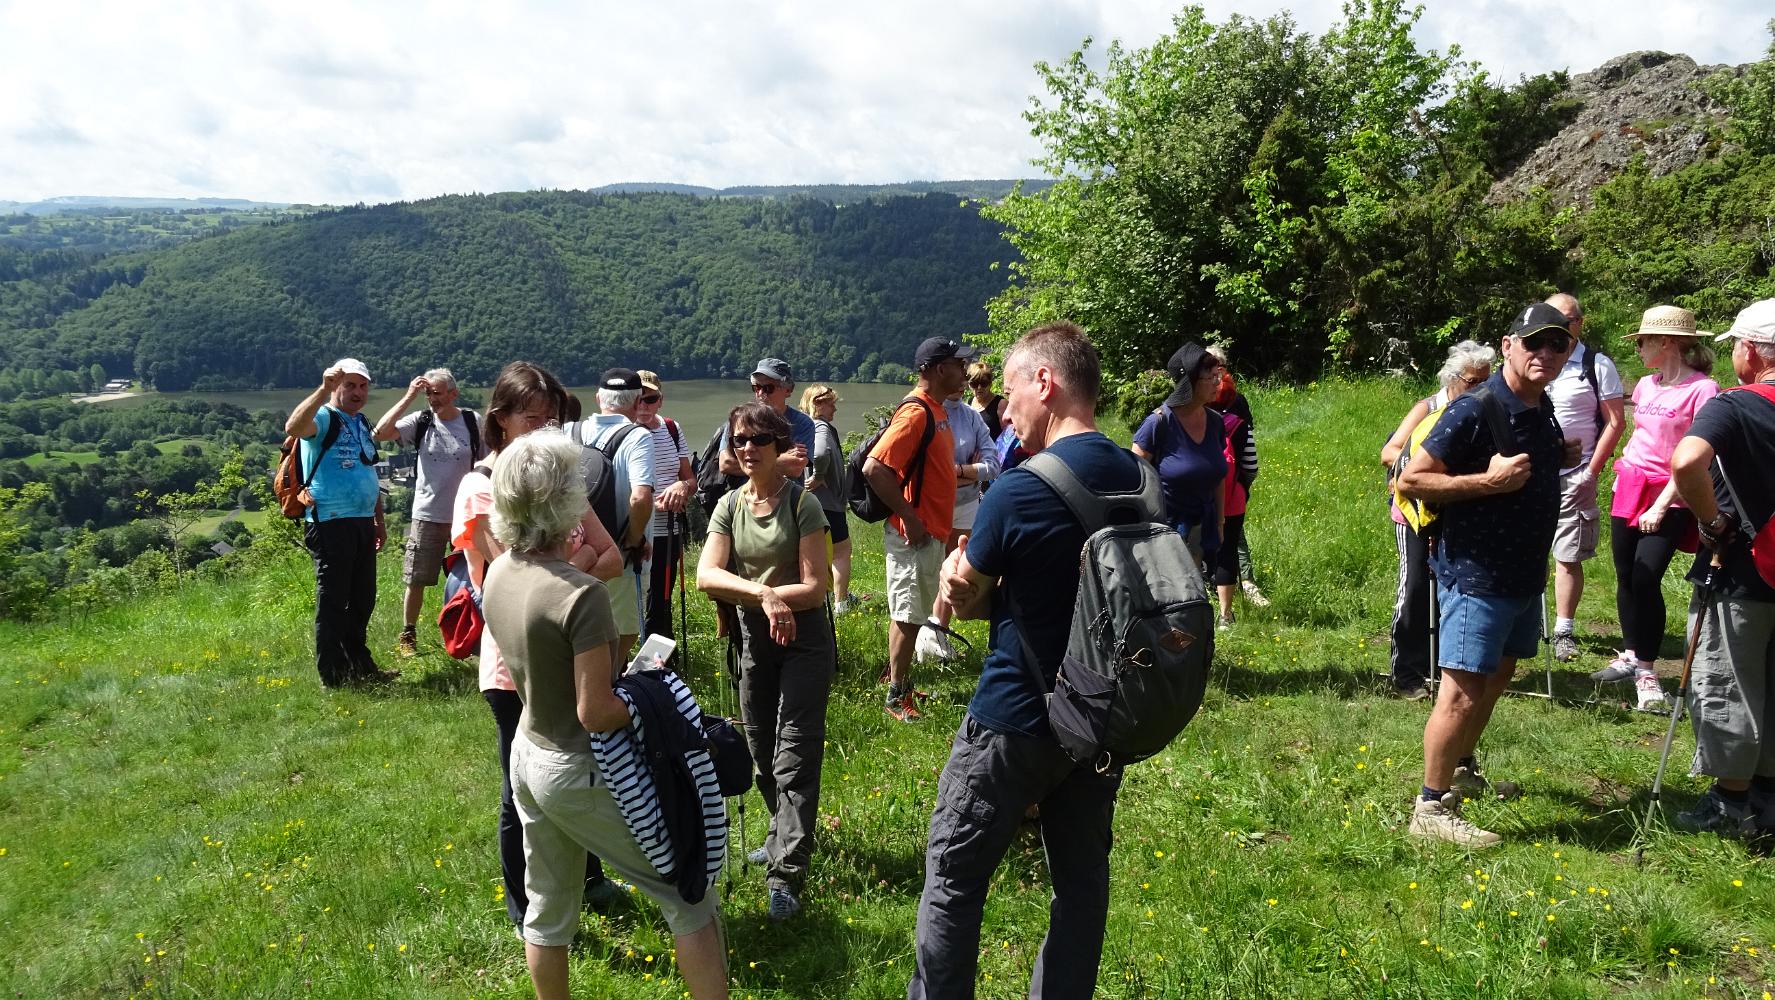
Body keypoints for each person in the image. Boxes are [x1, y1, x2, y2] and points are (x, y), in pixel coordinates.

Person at [910, 320, 1139, 1000]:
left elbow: (970, 599)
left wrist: (958, 582)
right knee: (1080, 886)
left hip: (1016, 717)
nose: (1005, 412)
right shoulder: (1141, 477)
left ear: (1046, 382)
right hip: (1102, 718)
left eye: (1010, 394)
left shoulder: (1019, 488)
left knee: (953, 877)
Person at [479, 427, 728, 1000]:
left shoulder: (501, 572)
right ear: (565, 500)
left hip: (528, 752)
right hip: (578, 767)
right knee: (688, 896)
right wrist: (653, 693)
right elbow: (596, 711)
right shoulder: (582, 596)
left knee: (547, 907)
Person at [452, 362, 626, 931]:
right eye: (533, 419)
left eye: (552, 420)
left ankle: (589, 877)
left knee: (588, 763)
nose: (545, 430)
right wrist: (577, 570)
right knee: (521, 781)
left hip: (577, 645)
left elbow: (614, 556)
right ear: (500, 419)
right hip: (516, 662)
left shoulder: (559, 480)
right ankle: (526, 904)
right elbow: (512, 580)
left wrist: (565, 574)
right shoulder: (483, 486)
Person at [1396, 303, 1576, 848]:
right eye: (1534, 342)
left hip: (1523, 572)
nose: (1546, 353)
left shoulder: (1541, 405)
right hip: (1477, 572)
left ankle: (1460, 770)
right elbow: (1411, 481)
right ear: (1508, 346)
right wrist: (1487, 484)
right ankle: (1430, 807)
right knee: (1462, 690)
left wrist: (1558, 455)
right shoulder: (1474, 409)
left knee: (1498, 676)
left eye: (1558, 344)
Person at [695, 402, 834, 921]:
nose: (747, 448)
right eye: (739, 440)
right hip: (755, 635)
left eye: (758, 440)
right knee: (760, 747)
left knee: (795, 752)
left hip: (805, 639)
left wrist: (770, 598)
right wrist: (765, 595)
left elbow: (815, 587)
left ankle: (786, 875)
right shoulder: (728, 506)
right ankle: (782, 831)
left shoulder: (803, 505)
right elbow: (706, 575)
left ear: (779, 447)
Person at [1668, 298, 1775, 836]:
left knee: (1728, 679)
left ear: (1751, 352)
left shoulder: (1734, 406)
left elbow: (1686, 461)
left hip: (1740, 568)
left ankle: (1731, 804)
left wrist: (1710, 521)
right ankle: (1768, 797)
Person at [1591, 306, 1719, 710]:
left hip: (1670, 493)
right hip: (1630, 486)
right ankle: (1631, 653)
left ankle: (1647, 671)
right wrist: (1622, 474)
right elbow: (1641, 437)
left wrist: (1663, 504)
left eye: (1642, 342)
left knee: (1647, 577)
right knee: (1626, 575)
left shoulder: (1703, 389)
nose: (1638, 349)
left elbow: (1696, 457)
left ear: (1666, 343)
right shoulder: (1646, 385)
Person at [1379, 340, 1497, 700]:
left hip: (1459, 510)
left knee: (1452, 587)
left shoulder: (1488, 408)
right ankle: (1406, 672)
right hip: (1414, 513)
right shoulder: (1429, 407)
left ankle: (1444, 666)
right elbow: (1389, 452)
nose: (1482, 387)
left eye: (1487, 380)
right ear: (1453, 378)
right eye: (1474, 381)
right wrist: (1425, 465)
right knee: (1415, 586)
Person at [865, 337, 967, 722]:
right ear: (940, 369)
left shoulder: (936, 409)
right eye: (959, 364)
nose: (965, 370)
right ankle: (895, 695)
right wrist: (910, 517)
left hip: (930, 530)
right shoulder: (916, 413)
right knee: (908, 615)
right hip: (915, 535)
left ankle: (900, 679)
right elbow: (875, 468)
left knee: (912, 610)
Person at [284, 358, 393, 688]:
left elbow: (367, 472)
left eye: (363, 386)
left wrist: (378, 520)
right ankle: (333, 677)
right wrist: (323, 390)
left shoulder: (360, 422)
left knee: (363, 599)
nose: (358, 392)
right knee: (333, 601)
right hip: (330, 522)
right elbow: (293, 427)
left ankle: (360, 666)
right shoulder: (323, 417)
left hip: (361, 522)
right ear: (337, 386)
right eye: (350, 385)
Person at [372, 367, 487, 657]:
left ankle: (474, 634)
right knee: (416, 578)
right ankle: (408, 635)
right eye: (428, 394)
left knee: (476, 577)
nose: (432, 399)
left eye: (437, 393)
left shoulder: (472, 421)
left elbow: (488, 461)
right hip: (428, 514)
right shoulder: (421, 421)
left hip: (467, 514)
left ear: (453, 393)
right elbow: (380, 433)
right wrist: (409, 396)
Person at [1543, 292, 1627, 662]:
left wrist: (1591, 472)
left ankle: (1563, 631)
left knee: (1567, 554)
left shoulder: (1595, 364)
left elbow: (1615, 422)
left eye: (1564, 320)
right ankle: (1527, 622)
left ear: (1578, 323)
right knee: (1525, 547)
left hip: (1575, 473)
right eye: (1549, 318)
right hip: (1530, 472)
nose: (1556, 327)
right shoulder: (1537, 357)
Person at [915, 378, 1000, 662]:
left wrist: (957, 470)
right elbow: (921, 467)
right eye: (956, 374)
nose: (962, 382)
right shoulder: (924, 412)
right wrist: (968, 472)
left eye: (964, 376)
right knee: (927, 570)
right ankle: (918, 634)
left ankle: (936, 634)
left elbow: (993, 466)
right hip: (931, 506)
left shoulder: (971, 416)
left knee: (953, 569)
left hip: (965, 506)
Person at [576, 368, 657, 661]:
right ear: (637, 402)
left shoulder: (570, 431)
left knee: (579, 631)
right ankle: (606, 682)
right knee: (623, 633)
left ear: (598, 398)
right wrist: (633, 540)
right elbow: (641, 497)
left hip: (575, 555)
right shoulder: (638, 437)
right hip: (621, 558)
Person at [1132, 343, 1226, 566]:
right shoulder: (1158, 423)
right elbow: (1132, 481)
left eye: (1218, 375)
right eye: (1211, 377)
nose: (1218, 383)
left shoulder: (1215, 422)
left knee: (1198, 584)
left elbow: (1218, 476)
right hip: (1165, 533)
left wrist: (1220, 522)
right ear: (1190, 382)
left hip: (1203, 528)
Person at [634, 370, 695, 640]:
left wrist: (682, 487)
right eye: (638, 398)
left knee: (661, 600)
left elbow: (690, 479)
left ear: (660, 400)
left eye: (650, 399)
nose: (644, 405)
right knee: (630, 601)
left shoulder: (671, 428)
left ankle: (659, 657)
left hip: (668, 531)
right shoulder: (623, 433)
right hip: (634, 531)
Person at [1204, 344, 1259, 628]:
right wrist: (1241, 485)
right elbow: (1251, 464)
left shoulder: (1193, 417)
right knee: (1229, 547)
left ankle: (1197, 604)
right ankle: (1226, 615)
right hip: (1232, 493)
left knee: (1198, 545)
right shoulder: (1238, 416)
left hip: (1199, 494)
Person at [801, 384, 862, 613]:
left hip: (816, 502)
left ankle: (824, 598)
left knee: (820, 552)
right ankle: (841, 604)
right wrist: (819, 476)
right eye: (830, 404)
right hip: (828, 503)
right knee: (841, 552)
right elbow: (819, 453)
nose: (834, 408)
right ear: (817, 404)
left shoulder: (807, 427)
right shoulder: (820, 427)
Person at [719, 358, 812, 480]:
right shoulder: (739, 419)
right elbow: (725, 464)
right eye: (757, 387)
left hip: (786, 492)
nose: (760, 393)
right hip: (745, 491)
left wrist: (746, 463)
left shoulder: (802, 423)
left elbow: (794, 467)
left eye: (768, 388)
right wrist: (781, 460)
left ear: (788, 390)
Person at [966, 361, 1005, 439]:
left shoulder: (1001, 404)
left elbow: (1009, 436)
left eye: (983, 383)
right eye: (974, 383)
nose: (979, 387)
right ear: (969, 385)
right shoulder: (970, 401)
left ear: (990, 383)